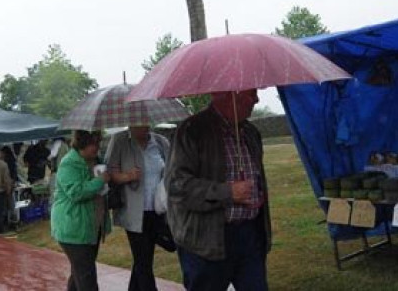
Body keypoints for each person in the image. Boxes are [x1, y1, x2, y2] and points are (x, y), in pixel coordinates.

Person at [167, 89, 271, 291]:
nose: (257, 99)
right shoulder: (191, 130)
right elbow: (177, 186)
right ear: (231, 94)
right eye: (252, 94)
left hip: (250, 236)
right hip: (206, 241)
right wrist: (228, 192)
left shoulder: (250, 132)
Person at [106, 125, 170, 291]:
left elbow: (173, 170)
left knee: (144, 258)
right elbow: (109, 172)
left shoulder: (161, 142)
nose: (143, 125)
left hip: (158, 210)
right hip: (133, 212)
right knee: (143, 260)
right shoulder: (120, 140)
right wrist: (127, 176)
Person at [51, 130, 112, 291]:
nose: (97, 147)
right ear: (82, 143)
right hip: (74, 229)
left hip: (91, 228)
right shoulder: (68, 163)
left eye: (98, 143)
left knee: (79, 273)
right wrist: (99, 181)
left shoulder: (95, 161)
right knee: (87, 278)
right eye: (93, 143)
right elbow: (76, 192)